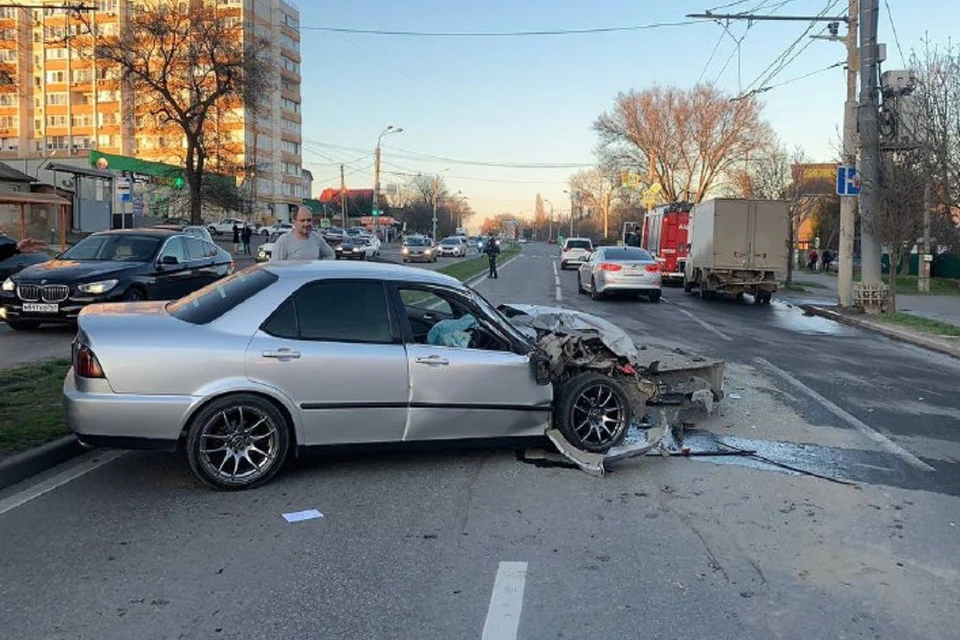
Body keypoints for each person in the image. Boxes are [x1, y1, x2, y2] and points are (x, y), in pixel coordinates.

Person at [271, 206, 335, 261]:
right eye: (302, 220)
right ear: (294, 221)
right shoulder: (284, 240)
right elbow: (276, 266)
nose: (306, 224)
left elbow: (331, 255)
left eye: (309, 220)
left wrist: (320, 268)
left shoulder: (316, 238)